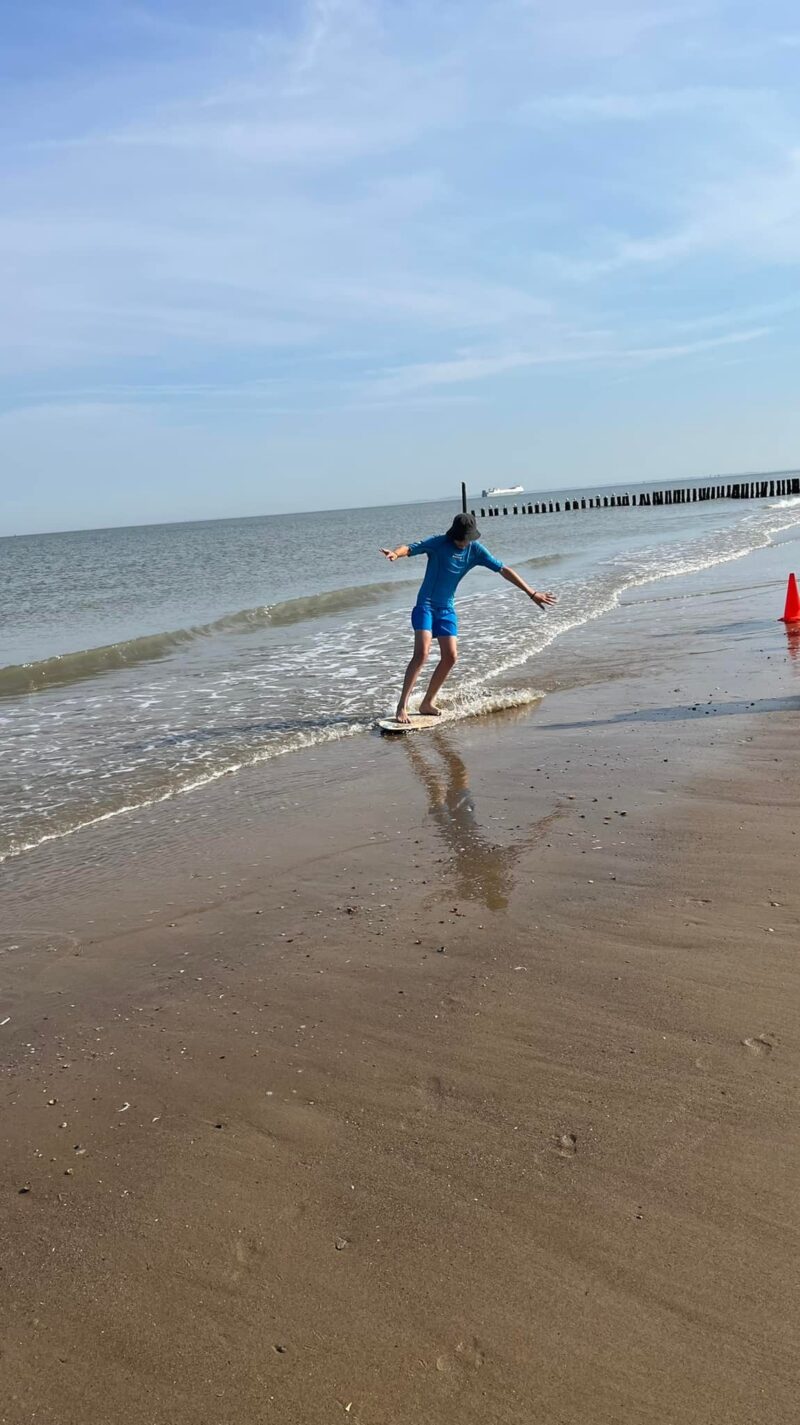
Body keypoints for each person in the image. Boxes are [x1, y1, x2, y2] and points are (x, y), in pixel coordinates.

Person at [381, 512, 557, 723]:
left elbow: (504, 570)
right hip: (425, 605)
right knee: (422, 653)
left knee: (451, 656)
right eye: (460, 538)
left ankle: (427, 703)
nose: (463, 543)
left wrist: (531, 593)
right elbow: (409, 548)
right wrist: (395, 554)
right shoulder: (438, 543)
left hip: (446, 608)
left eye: (466, 539)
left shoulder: (475, 550)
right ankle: (402, 707)